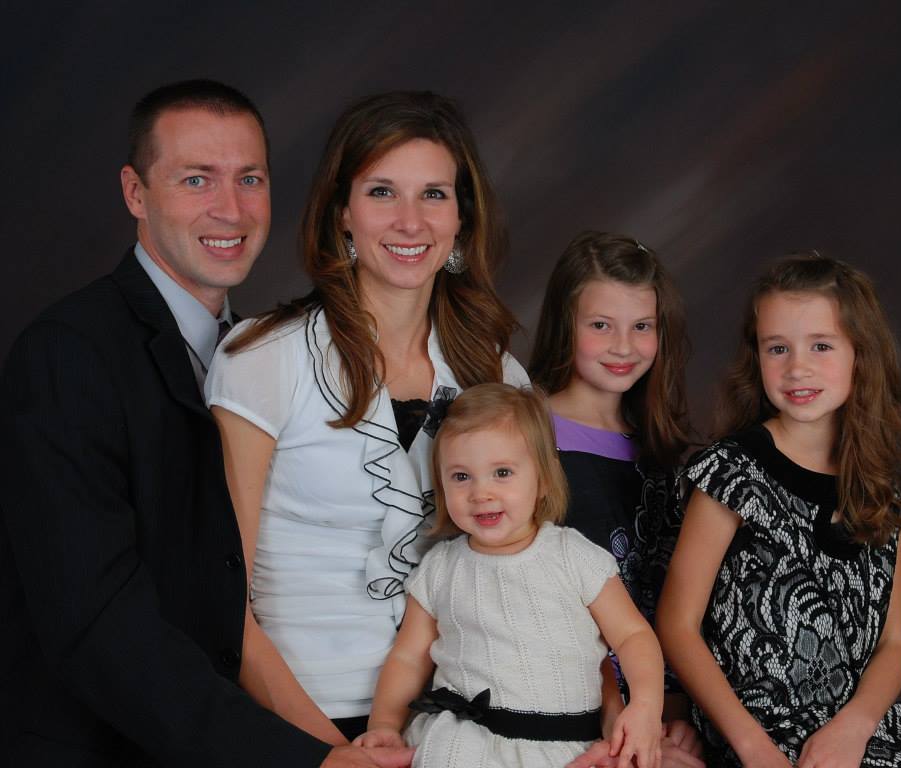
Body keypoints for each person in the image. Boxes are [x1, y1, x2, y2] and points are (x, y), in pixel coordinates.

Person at [0, 79, 411, 767]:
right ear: (136, 193)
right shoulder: (67, 355)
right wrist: (304, 757)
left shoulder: (264, 355)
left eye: (250, 179)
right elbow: (97, 621)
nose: (231, 208)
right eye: (197, 179)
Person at [205, 91, 528, 746]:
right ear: (342, 214)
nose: (410, 221)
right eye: (383, 192)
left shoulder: (499, 377)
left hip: (463, 724)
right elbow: (218, 600)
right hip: (300, 723)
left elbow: (532, 573)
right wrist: (328, 754)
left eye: (433, 194)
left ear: (461, 219)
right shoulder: (261, 358)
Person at [656, 253, 901, 767]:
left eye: (821, 345)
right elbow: (677, 624)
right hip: (759, 732)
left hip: (858, 728)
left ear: (860, 354)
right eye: (778, 348)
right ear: (757, 357)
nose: (797, 367)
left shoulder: (883, 492)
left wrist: (854, 729)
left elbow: (894, 643)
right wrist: (753, 748)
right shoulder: (732, 473)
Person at [354, 383, 664, 768]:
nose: (481, 493)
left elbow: (633, 636)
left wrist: (646, 706)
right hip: (460, 745)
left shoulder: (574, 556)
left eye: (502, 472)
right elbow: (408, 657)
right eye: (461, 477)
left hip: (563, 747)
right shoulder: (440, 567)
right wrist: (385, 723)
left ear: (543, 479)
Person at [529, 231, 703, 768]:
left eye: (642, 326)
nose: (624, 346)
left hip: (656, 707)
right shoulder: (527, 434)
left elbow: (669, 600)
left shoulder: (661, 450)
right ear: (565, 324)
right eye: (601, 325)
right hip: (567, 702)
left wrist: (674, 711)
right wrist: (618, 713)